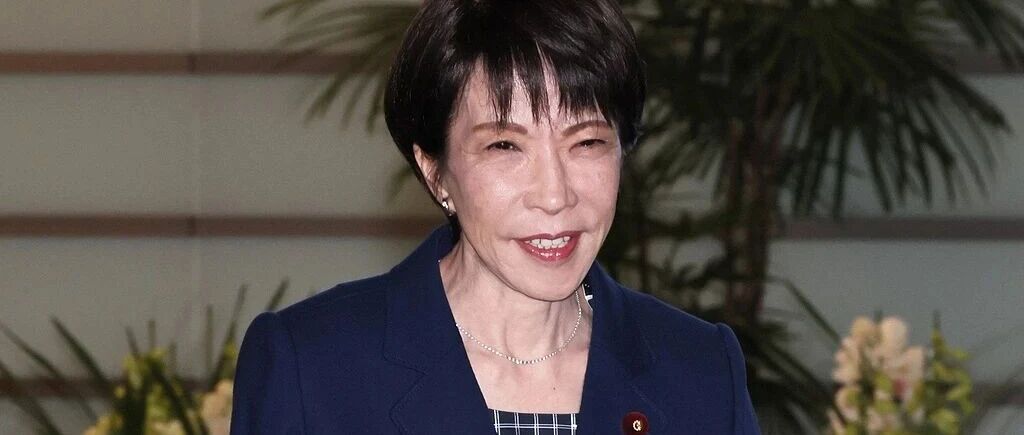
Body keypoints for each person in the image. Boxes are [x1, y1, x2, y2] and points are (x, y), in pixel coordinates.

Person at [230, 0, 760, 433]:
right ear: (435, 171)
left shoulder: (700, 370)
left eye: (587, 142)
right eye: (505, 146)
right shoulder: (312, 367)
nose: (554, 196)